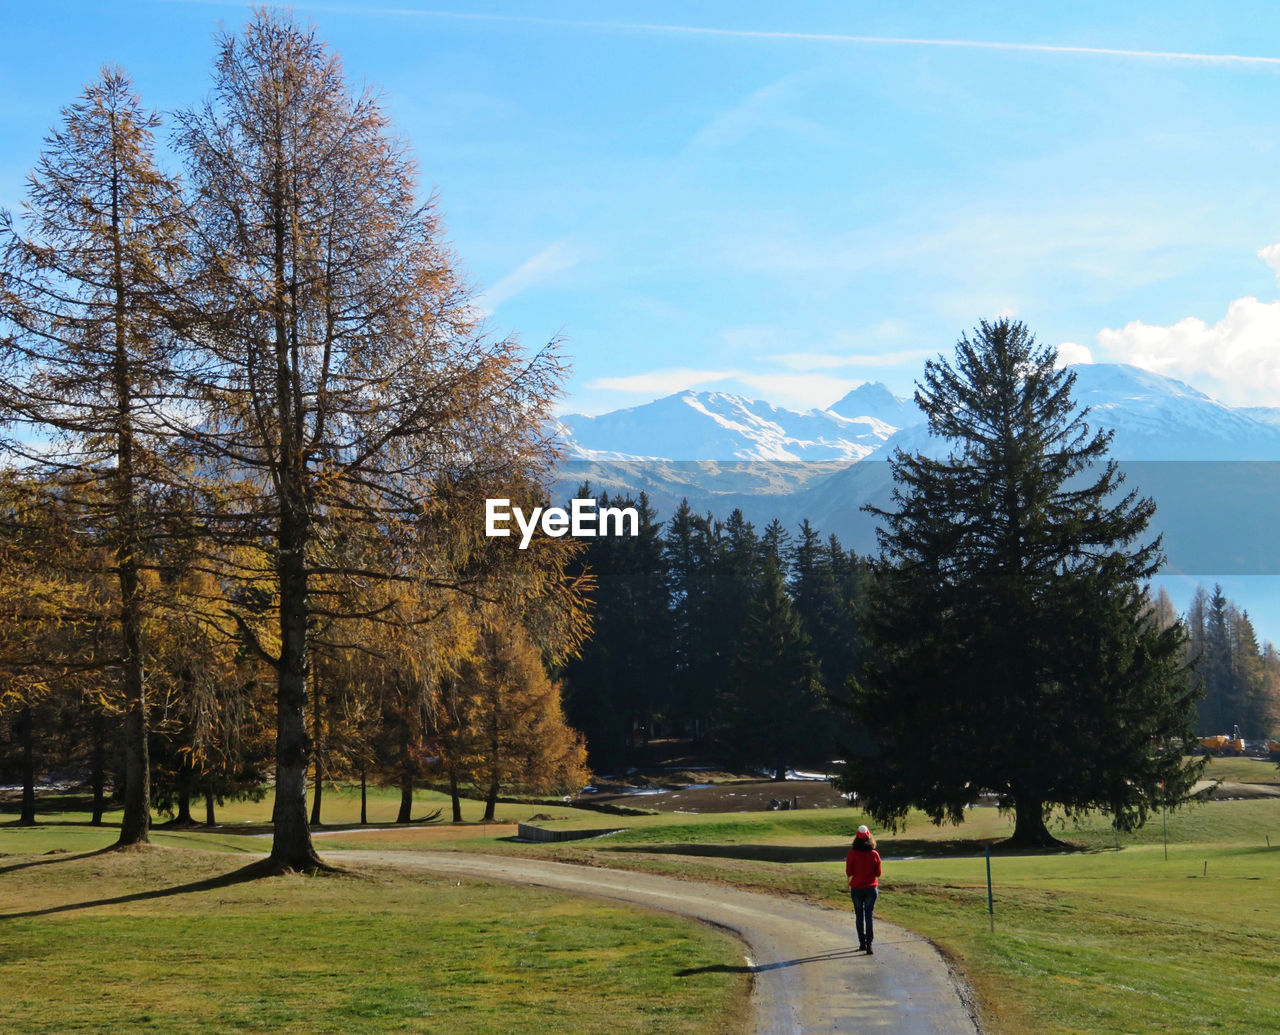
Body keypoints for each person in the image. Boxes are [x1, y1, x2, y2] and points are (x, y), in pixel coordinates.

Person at [846, 825, 882, 954]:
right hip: (871, 889)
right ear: (869, 837)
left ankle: (862, 943)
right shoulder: (874, 854)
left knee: (859, 916)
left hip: (856, 888)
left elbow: (849, 872)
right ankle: (869, 944)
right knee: (869, 916)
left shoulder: (852, 853)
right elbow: (878, 874)